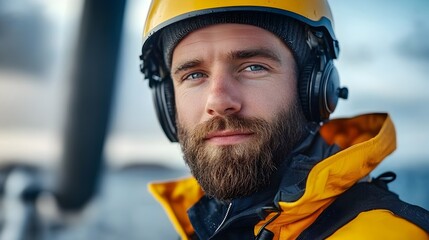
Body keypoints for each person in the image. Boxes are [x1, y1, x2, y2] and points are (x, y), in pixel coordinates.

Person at [140, 0, 429, 239]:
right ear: (167, 104)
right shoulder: (200, 224)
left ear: (315, 89)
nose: (218, 101)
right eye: (194, 75)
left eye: (253, 67)